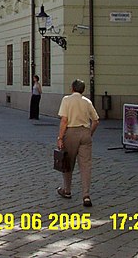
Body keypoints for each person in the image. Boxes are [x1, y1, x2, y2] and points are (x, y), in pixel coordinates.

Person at [57, 79, 100, 207]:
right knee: (85, 166)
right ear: (83, 90)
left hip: (71, 133)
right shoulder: (87, 102)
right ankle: (86, 195)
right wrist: (89, 133)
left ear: (72, 88)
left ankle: (67, 190)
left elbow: (64, 120)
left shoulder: (66, 100)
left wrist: (60, 137)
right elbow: (96, 120)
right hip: (85, 133)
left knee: (68, 163)